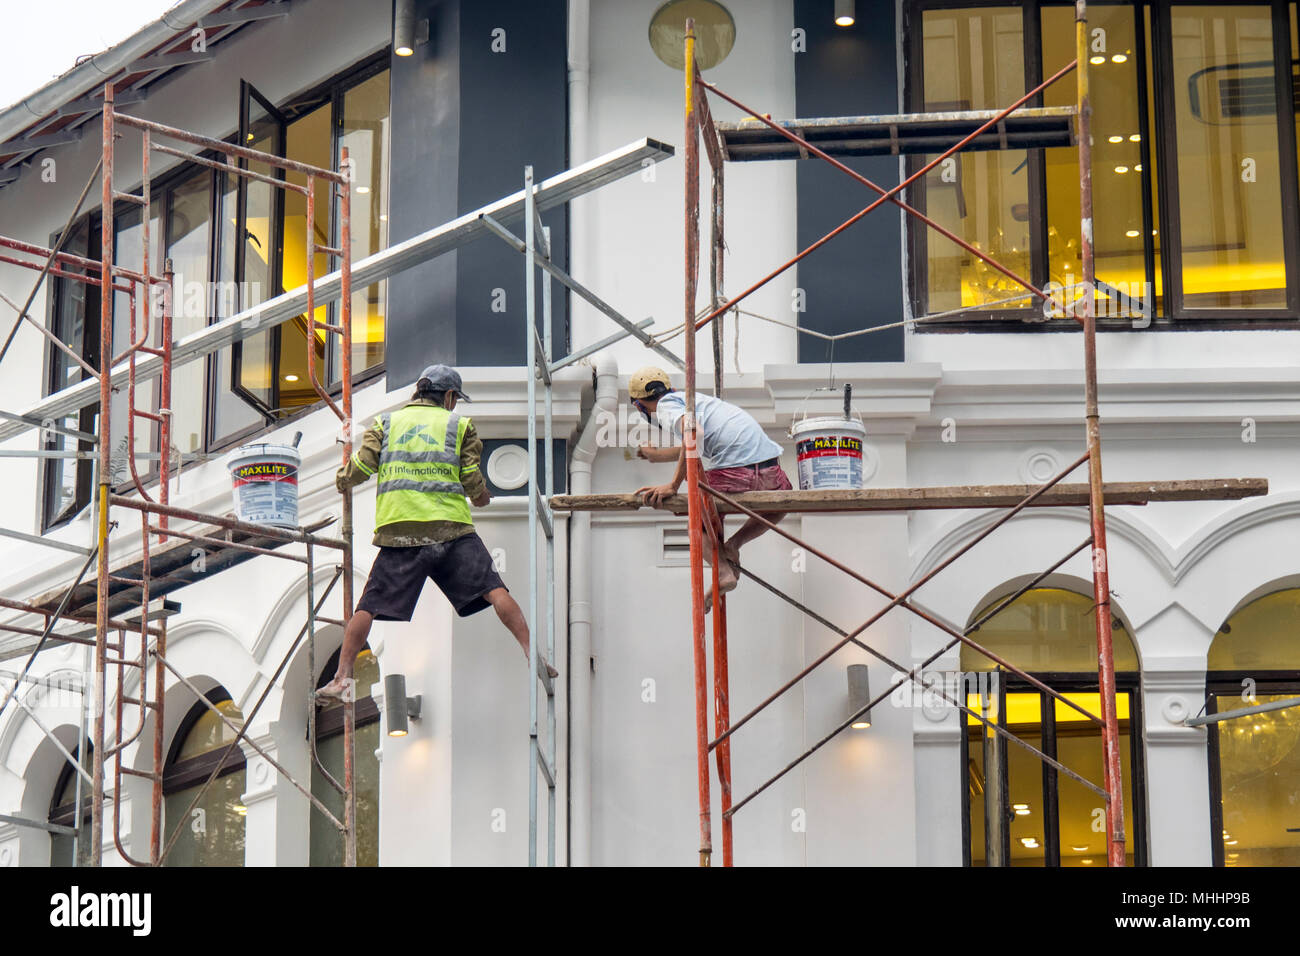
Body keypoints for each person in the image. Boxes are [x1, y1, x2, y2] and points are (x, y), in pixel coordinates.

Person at [317, 364, 555, 701]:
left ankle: (342, 677)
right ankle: (532, 653)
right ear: (448, 396)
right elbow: (471, 477)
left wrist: (341, 480)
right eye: (455, 399)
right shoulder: (459, 426)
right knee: (494, 589)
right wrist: (482, 497)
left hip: (400, 532)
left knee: (367, 606)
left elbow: (362, 468)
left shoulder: (385, 423)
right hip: (451, 529)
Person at [630, 365, 792, 607]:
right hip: (769, 470)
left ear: (639, 405)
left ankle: (723, 572)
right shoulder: (693, 401)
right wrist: (658, 455)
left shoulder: (665, 406)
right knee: (780, 504)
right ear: (670, 388)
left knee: (699, 524)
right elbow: (696, 440)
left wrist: (673, 485)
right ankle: (734, 546)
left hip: (736, 472)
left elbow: (693, 433)